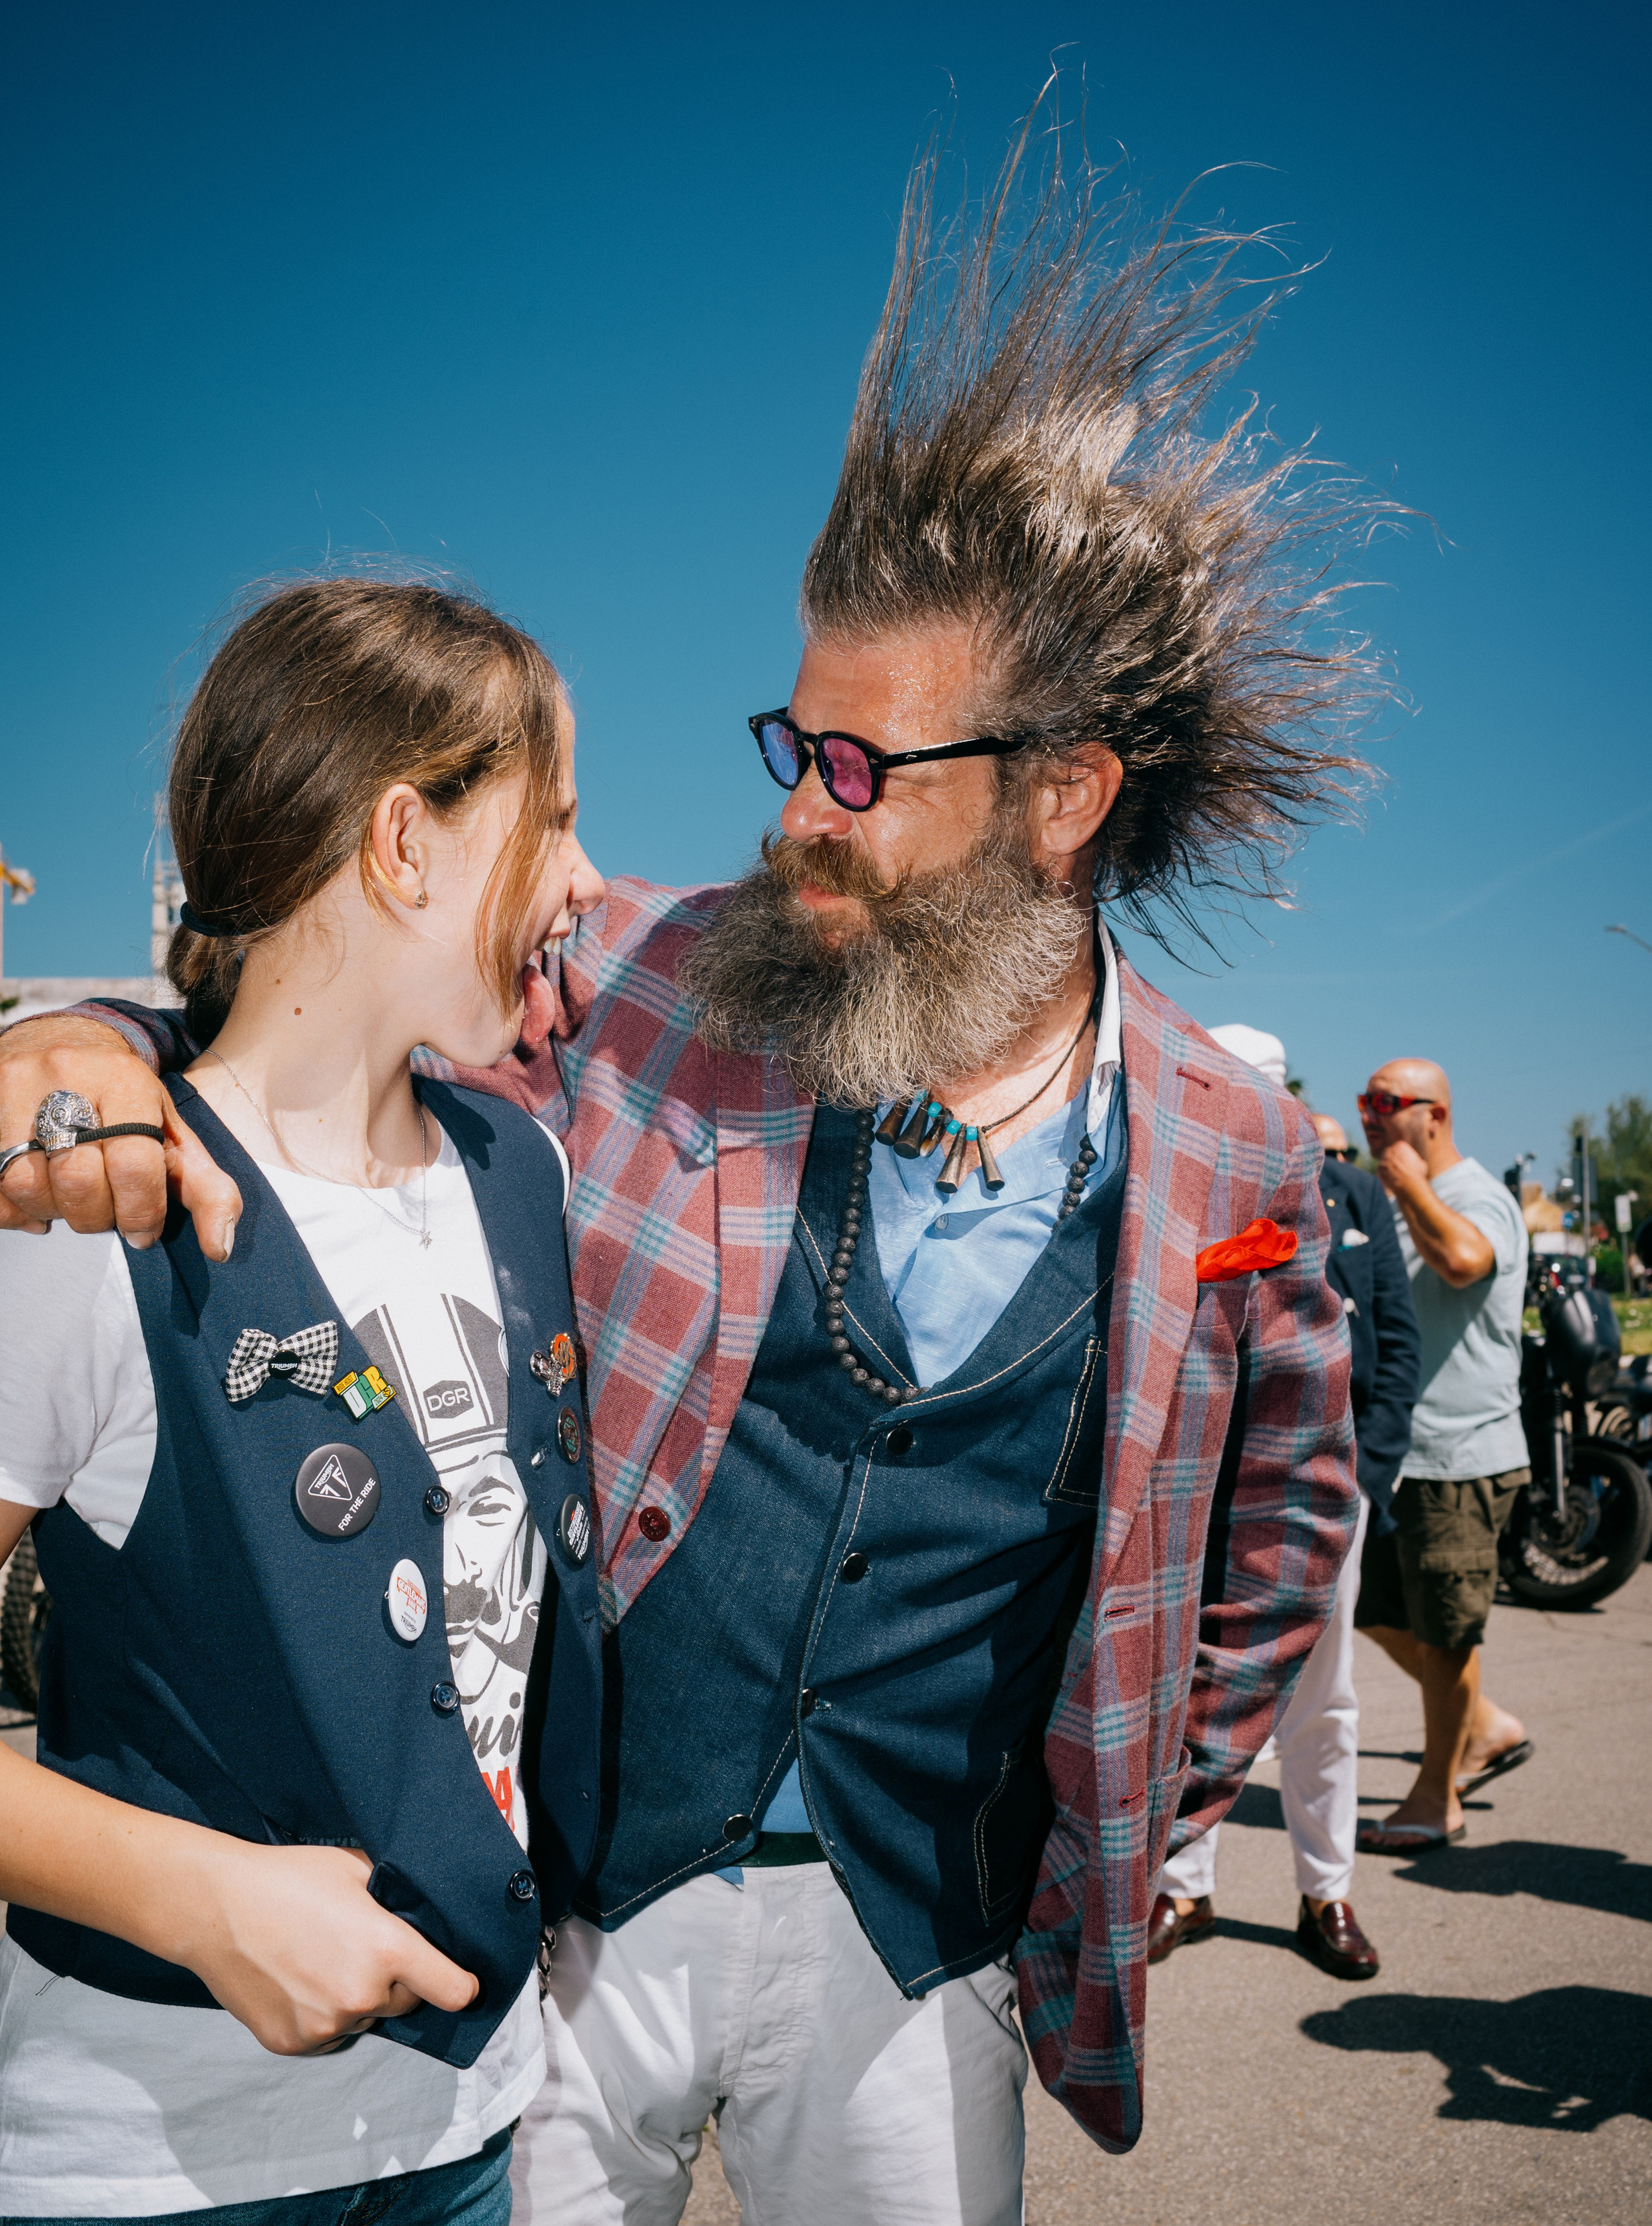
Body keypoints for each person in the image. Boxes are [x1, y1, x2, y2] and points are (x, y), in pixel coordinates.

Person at [0, 130, 1364, 2223]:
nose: (799, 814)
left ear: (1065, 795)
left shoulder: (1244, 1147)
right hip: (576, 1899)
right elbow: (333, 998)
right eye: (788, 739)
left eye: (859, 767)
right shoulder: (651, 962)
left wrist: (1133, 1807)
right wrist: (82, 1046)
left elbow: (1283, 1507)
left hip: (922, 1944)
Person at [0, 579, 607, 2221]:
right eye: (551, 820)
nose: (588, 877)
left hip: (471, 2127)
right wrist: (195, 1894)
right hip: (155, 2155)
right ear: (404, 844)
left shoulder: (521, 1166)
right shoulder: (95, 1207)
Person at [1149, 1056, 1420, 1978]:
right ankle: (1184, 1886)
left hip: (1321, 1494)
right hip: (1198, 1499)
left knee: (1324, 1707)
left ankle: (1327, 1889)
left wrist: (1368, 1481)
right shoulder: (1177, 1187)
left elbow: (1395, 1344)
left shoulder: (1352, 1194)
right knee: (1184, 1692)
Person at [1353, 1057, 1535, 1854]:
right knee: (1375, 1612)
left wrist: (1411, 1187)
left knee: (1446, 1632)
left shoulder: (1474, 1194)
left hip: (1461, 1454)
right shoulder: (1401, 1200)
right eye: (1365, 1100)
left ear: (1434, 1113)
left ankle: (1438, 1796)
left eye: (1387, 1102)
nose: (1370, 1115)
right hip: (1408, 1453)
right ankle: (1486, 1726)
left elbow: (1465, 1262)